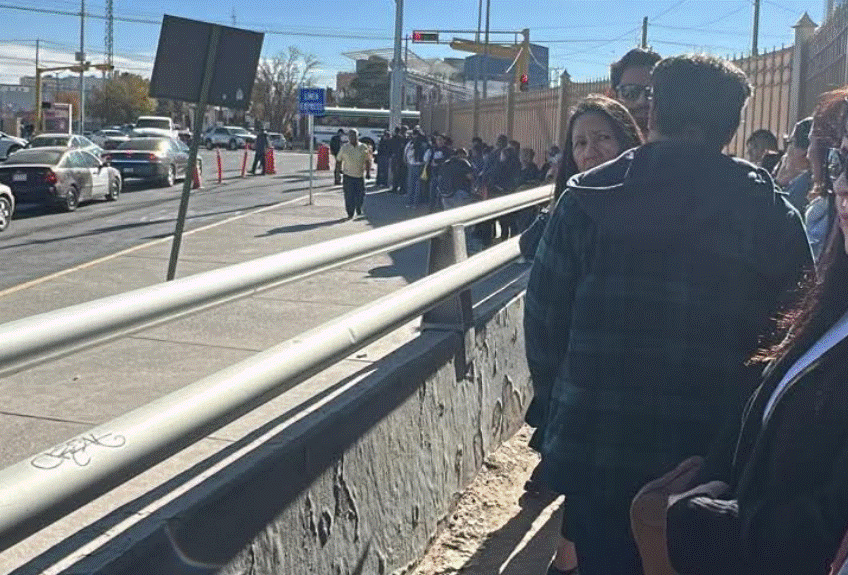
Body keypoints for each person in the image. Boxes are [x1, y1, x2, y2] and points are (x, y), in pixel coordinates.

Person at [525, 54, 812, 575]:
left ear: (653, 112)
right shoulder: (770, 211)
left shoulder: (588, 196)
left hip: (598, 448)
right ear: (732, 125)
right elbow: (795, 338)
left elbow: (544, 329)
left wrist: (563, 409)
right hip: (711, 463)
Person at [665, 89, 848, 575]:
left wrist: (695, 517)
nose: (843, 186)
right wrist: (715, 474)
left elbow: (820, 528)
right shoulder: (832, 306)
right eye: (840, 161)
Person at [520, 95, 642, 575]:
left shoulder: (649, 200)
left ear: (627, 139)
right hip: (582, 374)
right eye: (580, 143)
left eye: (602, 138)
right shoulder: (573, 201)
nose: (589, 152)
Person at [608, 48, 662, 135]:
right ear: (613, 96)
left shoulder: (685, 145)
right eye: (631, 92)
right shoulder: (600, 145)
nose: (642, 101)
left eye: (651, 92)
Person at [775, 117, 814, 213]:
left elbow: (770, 214)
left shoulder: (803, 185)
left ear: (804, 154)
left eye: (789, 143)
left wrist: (777, 184)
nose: (786, 152)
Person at [337, 128, 370, 220]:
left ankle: (358, 207)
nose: (352, 138)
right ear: (348, 137)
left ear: (357, 136)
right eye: (350, 136)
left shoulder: (363, 147)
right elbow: (338, 161)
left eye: (354, 136)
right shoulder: (344, 148)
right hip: (348, 176)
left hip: (359, 176)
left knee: (361, 196)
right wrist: (338, 174)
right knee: (349, 196)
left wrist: (367, 172)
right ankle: (350, 213)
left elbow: (368, 160)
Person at [405, 129, 428, 208]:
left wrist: (407, 162)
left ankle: (410, 202)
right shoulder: (424, 144)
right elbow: (426, 157)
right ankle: (416, 203)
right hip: (420, 165)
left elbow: (406, 154)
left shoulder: (410, 143)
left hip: (411, 165)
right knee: (418, 185)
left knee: (411, 184)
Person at [390, 127, 408, 194]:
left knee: (401, 174)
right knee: (395, 173)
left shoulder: (405, 139)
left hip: (401, 159)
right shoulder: (397, 138)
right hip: (397, 157)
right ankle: (396, 187)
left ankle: (401, 188)